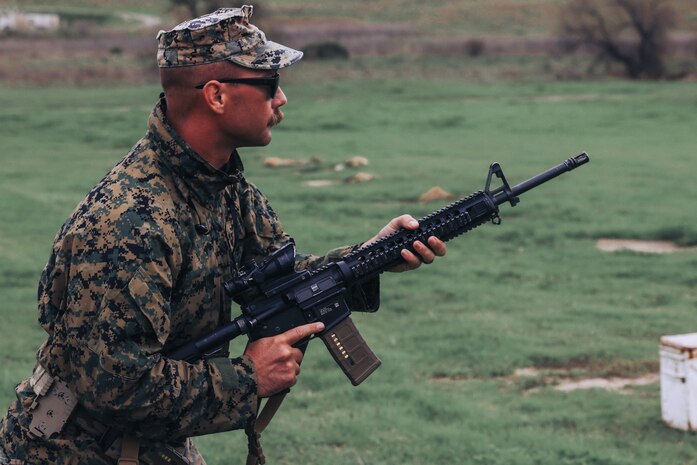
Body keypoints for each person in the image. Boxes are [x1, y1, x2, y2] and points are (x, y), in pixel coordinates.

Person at [0, 5, 445, 465]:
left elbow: (283, 278)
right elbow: (119, 386)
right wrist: (249, 377)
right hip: (73, 452)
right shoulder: (130, 223)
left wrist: (374, 254)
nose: (282, 99)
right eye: (269, 84)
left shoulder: (223, 188)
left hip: (149, 444)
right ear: (216, 96)